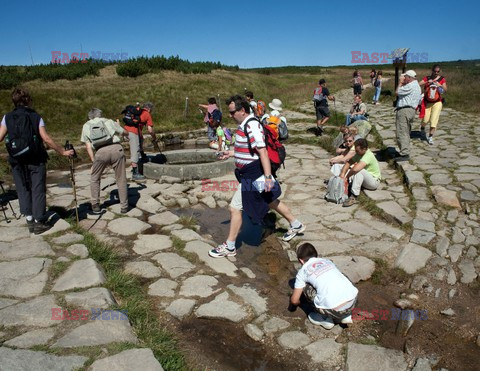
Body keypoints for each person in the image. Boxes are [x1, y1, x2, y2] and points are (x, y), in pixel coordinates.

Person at [208, 95, 305, 258]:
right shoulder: (246, 124)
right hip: (252, 173)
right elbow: (249, 150)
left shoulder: (251, 125)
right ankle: (296, 224)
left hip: (253, 175)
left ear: (242, 110)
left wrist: (268, 177)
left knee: (235, 207)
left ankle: (230, 246)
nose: (230, 116)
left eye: (232, 112)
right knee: (271, 201)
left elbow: (262, 152)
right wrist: (231, 153)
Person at [0, 88, 74, 234]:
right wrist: (63, 152)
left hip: (16, 160)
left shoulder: (6, 117)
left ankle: (28, 218)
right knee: (37, 188)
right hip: (36, 158)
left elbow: (0, 137)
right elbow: (46, 138)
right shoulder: (35, 116)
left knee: (22, 188)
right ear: (27, 100)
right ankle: (39, 221)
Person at [290, 243, 358, 329]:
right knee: (341, 276)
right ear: (316, 255)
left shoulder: (303, 271)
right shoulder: (327, 261)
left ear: (301, 260)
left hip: (332, 310)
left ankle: (325, 319)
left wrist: (300, 302)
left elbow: (294, 300)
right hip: (353, 301)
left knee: (306, 286)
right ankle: (346, 315)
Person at [80, 108, 129, 214]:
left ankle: (95, 205)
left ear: (90, 116)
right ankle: (124, 206)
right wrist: (120, 127)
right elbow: (124, 132)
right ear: (100, 114)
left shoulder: (86, 126)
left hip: (100, 152)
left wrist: (93, 161)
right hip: (116, 149)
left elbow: (88, 146)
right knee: (121, 178)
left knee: (94, 178)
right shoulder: (109, 121)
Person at [340, 138, 381, 207]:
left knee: (359, 170)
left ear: (364, 149)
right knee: (346, 168)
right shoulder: (359, 154)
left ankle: (354, 196)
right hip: (365, 179)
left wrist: (346, 177)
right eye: (356, 150)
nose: (356, 152)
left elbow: (356, 169)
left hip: (373, 182)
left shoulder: (368, 155)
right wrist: (342, 174)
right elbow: (348, 163)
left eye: (358, 151)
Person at [124, 102, 157, 180]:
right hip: (133, 132)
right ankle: (135, 173)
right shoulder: (147, 114)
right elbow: (150, 130)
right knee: (135, 151)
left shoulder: (137, 110)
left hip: (125, 130)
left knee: (140, 139)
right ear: (149, 109)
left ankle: (142, 155)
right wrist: (154, 137)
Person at [394, 70, 422, 161]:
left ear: (409, 78)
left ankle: (404, 153)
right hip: (411, 110)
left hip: (405, 110)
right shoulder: (416, 86)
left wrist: (400, 82)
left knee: (402, 131)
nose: (404, 78)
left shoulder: (410, 85)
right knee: (406, 131)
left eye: (405, 77)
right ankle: (404, 150)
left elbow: (397, 92)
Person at [419, 65, 447, 145]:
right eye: (435, 71)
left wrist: (439, 85)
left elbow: (445, 90)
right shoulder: (427, 78)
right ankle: (422, 128)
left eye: (438, 71)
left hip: (437, 102)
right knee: (425, 119)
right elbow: (418, 84)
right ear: (432, 70)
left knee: (434, 120)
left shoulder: (442, 79)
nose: (436, 73)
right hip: (427, 102)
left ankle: (430, 136)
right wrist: (427, 82)